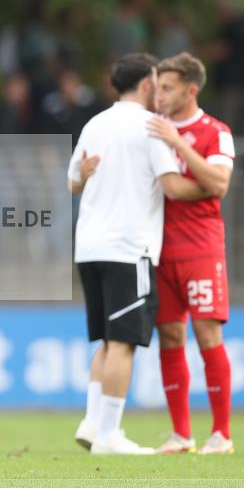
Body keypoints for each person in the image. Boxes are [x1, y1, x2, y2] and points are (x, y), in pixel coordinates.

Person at [68, 53, 206, 455]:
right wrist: (211, 188)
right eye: (157, 82)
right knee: (123, 342)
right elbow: (174, 186)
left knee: (107, 342)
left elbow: (73, 182)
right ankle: (110, 436)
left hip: (89, 246)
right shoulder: (151, 128)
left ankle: (93, 424)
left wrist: (87, 175)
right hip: (129, 247)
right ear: (147, 83)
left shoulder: (96, 123)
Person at [146, 53, 235, 455]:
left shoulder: (215, 131)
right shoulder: (149, 131)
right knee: (169, 335)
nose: (159, 95)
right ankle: (181, 434)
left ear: (190, 89)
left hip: (201, 248)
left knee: (206, 333)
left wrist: (178, 142)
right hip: (160, 248)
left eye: (167, 88)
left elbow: (218, 182)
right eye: (158, 87)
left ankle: (222, 434)